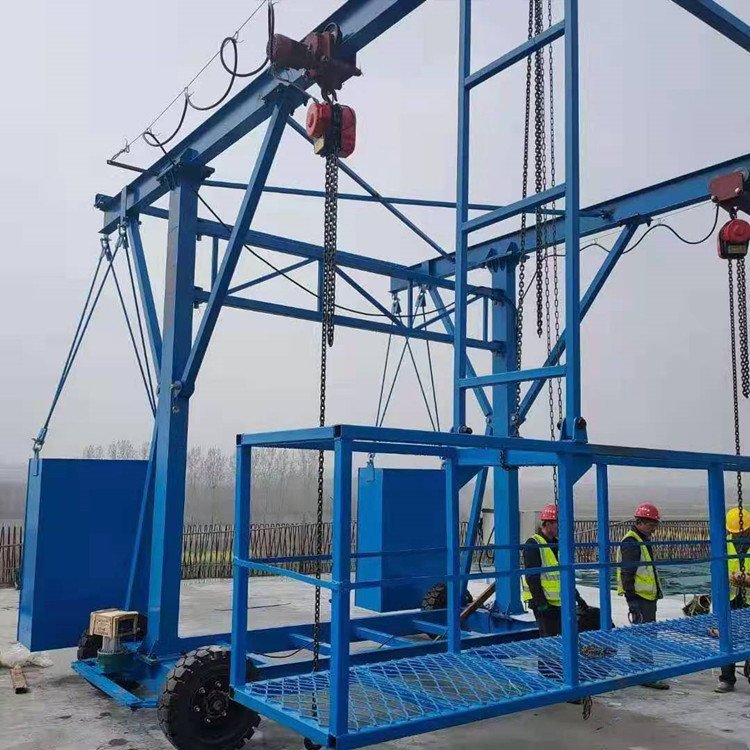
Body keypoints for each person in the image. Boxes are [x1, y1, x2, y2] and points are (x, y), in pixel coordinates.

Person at [522, 504, 591, 679]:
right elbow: (532, 577)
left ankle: (561, 673)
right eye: (558, 524)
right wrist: (541, 602)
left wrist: (578, 598)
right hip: (544, 603)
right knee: (549, 640)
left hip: (559, 602)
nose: (560, 528)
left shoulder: (557, 544)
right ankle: (549, 676)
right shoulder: (533, 544)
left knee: (562, 639)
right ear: (548, 523)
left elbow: (564, 575)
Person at [616, 502, 669, 690]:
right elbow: (627, 573)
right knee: (643, 636)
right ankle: (644, 674)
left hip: (646, 596)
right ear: (640, 522)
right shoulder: (632, 543)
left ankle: (642, 671)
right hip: (640, 598)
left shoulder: (641, 540)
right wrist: (632, 601)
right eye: (651, 525)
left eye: (655, 525)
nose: (654, 529)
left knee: (646, 634)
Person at [715, 507, 750, 693]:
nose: (739, 535)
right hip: (731, 599)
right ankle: (727, 679)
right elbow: (716, 569)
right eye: (736, 532)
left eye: (743, 532)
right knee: (728, 637)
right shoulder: (725, 544)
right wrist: (730, 577)